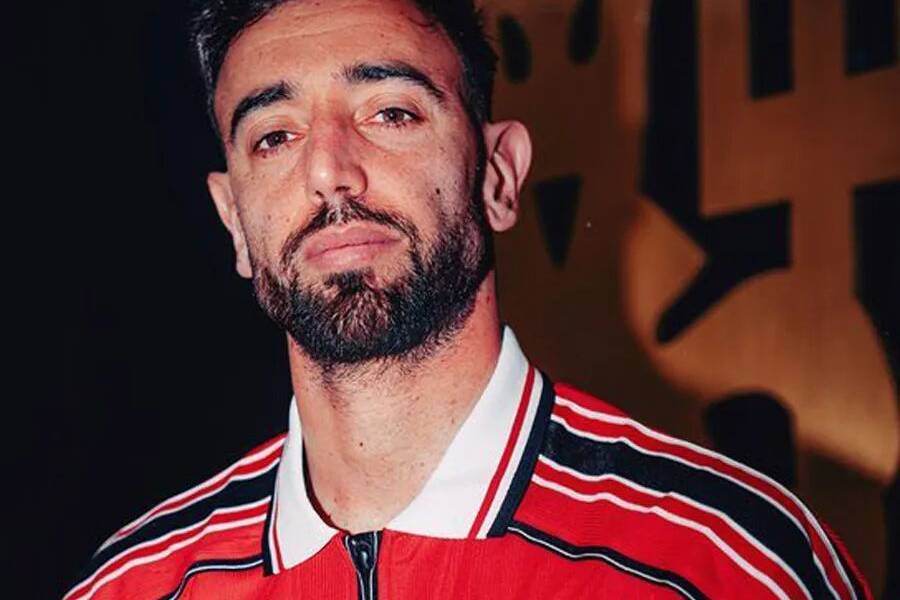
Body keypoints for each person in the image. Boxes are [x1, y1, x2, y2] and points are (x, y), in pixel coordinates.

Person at [65, 0, 872, 598]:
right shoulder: (132, 586)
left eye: (391, 113)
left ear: (499, 176)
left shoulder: (728, 564)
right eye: (275, 135)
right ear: (233, 220)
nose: (329, 171)